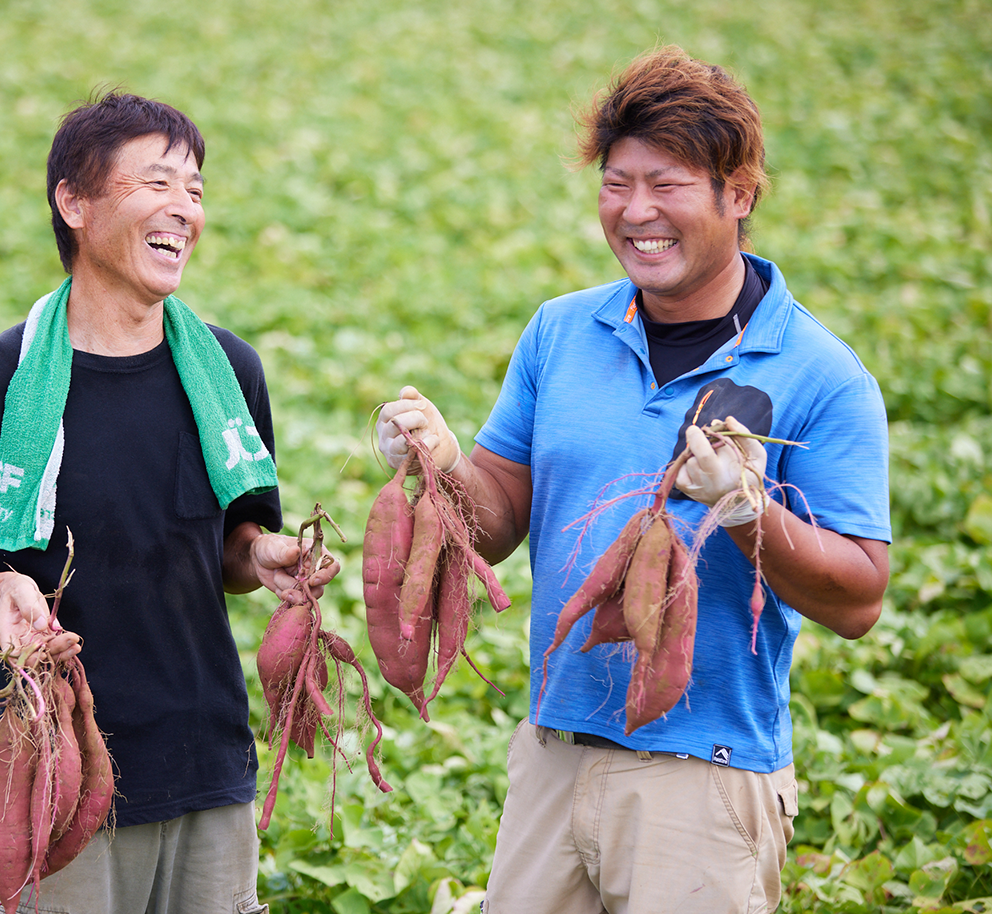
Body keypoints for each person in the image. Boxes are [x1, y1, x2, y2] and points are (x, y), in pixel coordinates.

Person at [377, 47, 890, 913]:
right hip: (553, 751)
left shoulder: (820, 374)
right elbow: (498, 522)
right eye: (618, 183)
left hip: (706, 775)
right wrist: (442, 459)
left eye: (670, 184)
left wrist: (746, 509)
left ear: (740, 193)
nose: (638, 212)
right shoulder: (561, 331)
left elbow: (858, 601)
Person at [0, 90, 336, 914]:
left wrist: (262, 556)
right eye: (157, 184)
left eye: (196, 190)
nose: (184, 209)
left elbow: (231, 549)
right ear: (74, 202)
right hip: (54, 773)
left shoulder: (226, 373)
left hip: (208, 766)